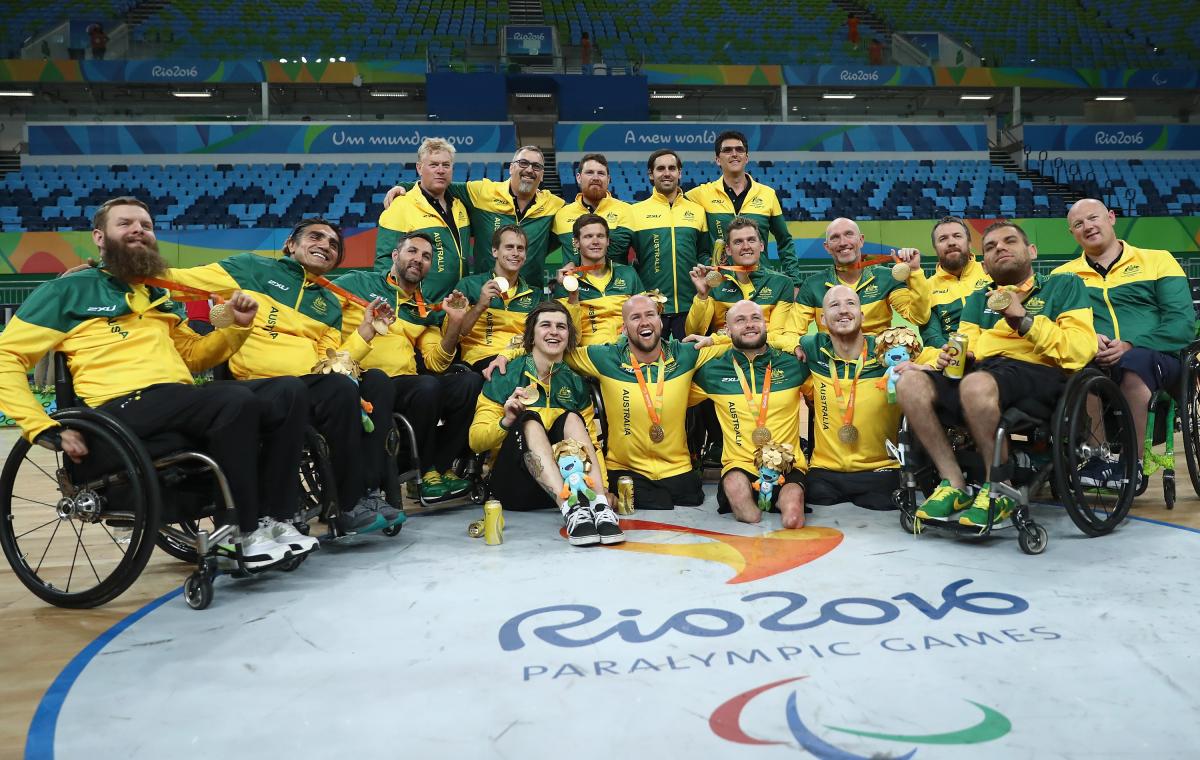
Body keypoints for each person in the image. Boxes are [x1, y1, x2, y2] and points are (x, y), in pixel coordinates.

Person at [0, 197, 312, 567]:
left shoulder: (158, 296)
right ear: (99, 237)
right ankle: (238, 531)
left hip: (174, 400)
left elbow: (195, 357)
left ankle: (276, 518)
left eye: (146, 225)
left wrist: (236, 329)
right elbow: (6, 357)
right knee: (232, 400)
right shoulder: (68, 290)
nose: (138, 230)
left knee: (287, 391)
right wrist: (39, 427)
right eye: (125, 223)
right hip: (118, 407)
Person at [164, 217, 403, 535]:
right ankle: (347, 503)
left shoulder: (329, 303)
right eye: (316, 237)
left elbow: (331, 365)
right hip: (258, 385)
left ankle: (366, 494)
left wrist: (365, 332)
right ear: (290, 243)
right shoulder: (251, 268)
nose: (325, 246)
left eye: (333, 244)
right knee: (331, 389)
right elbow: (178, 281)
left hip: (307, 384)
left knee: (374, 382)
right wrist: (113, 272)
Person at [895, 221, 1097, 528]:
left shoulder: (1064, 285)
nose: (999, 248)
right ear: (985, 266)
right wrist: (940, 362)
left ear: (1031, 251)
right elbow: (966, 350)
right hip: (985, 373)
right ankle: (953, 484)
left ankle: (998, 487)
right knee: (910, 382)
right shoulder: (979, 299)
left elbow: (1081, 350)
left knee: (977, 383)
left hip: (1040, 375)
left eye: (1009, 241)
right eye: (990, 247)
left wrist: (1025, 321)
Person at [1051, 198, 1194, 486]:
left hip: (1158, 360)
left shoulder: (1158, 260)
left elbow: (1181, 324)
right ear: (1072, 233)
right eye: (1078, 224)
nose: (1087, 226)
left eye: (1094, 218)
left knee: (1133, 362)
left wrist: (1131, 344)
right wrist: (1087, 339)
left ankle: (1134, 462)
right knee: (1079, 364)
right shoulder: (1061, 277)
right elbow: (1054, 330)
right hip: (1096, 359)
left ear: (1112, 218)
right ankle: (1096, 457)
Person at [335, 231, 483, 500]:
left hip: (406, 384)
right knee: (425, 386)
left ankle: (440, 466)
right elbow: (322, 310)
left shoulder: (423, 310)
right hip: (365, 379)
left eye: (426, 256)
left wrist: (456, 323)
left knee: (470, 382)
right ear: (395, 255)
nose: (419, 259)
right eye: (412, 251)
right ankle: (424, 472)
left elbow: (436, 363)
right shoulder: (356, 282)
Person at [469, 301, 622, 546]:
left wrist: (602, 487)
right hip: (514, 487)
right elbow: (476, 441)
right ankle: (571, 510)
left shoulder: (575, 382)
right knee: (528, 419)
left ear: (569, 335)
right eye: (546, 325)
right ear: (531, 335)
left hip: (566, 484)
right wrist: (506, 421)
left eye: (561, 326)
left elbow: (591, 442)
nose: (554, 332)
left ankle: (598, 505)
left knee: (571, 418)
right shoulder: (506, 374)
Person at [689, 300, 808, 527]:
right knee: (741, 499)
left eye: (755, 318)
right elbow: (674, 400)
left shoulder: (794, 364)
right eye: (740, 320)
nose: (750, 325)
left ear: (765, 324)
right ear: (727, 329)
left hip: (788, 464)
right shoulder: (712, 371)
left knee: (793, 518)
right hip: (739, 464)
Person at [384, 145, 565, 288]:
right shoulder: (482, 192)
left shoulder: (554, 205)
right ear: (511, 168)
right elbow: (441, 185)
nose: (529, 170)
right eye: (523, 163)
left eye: (537, 166)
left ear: (542, 175)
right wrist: (404, 186)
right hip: (484, 293)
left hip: (530, 295)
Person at [800, 286, 902, 511]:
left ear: (862, 315)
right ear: (823, 319)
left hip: (880, 471)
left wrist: (927, 364)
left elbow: (927, 356)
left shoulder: (887, 350)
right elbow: (772, 340)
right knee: (815, 502)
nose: (843, 310)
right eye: (834, 305)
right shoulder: (813, 348)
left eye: (850, 304)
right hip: (824, 473)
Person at [684, 131, 801, 287]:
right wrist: (708, 263)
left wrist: (795, 281)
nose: (734, 154)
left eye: (739, 149)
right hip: (721, 285)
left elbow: (785, 241)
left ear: (746, 157)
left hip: (761, 284)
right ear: (718, 160)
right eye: (727, 150)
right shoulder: (699, 195)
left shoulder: (768, 194)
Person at [374, 137, 472, 302]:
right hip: (419, 307)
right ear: (419, 168)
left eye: (446, 165)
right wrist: (399, 303)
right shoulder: (400, 205)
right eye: (433, 165)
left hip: (456, 304)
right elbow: (384, 262)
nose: (440, 170)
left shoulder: (460, 205)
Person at [795, 217, 929, 336]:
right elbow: (793, 331)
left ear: (861, 240)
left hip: (877, 360)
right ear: (827, 247)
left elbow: (918, 318)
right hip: (832, 360)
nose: (843, 242)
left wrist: (915, 272)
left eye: (849, 234)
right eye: (835, 237)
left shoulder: (886, 278)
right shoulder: (813, 285)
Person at [686, 216, 802, 353]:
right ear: (728, 249)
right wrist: (702, 296)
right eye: (738, 242)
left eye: (751, 240)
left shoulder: (781, 283)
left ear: (761, 246)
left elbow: (777, 336)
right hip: (724, 358)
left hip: (765, 355)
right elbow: (694, 333)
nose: (746, 246)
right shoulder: (716, 282)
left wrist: (717, 340)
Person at [629, 149, 710, 338]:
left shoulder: (697, 211)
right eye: (660, 168)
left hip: (691, 304)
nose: (667, 173)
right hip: (650, 308)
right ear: (651, 174)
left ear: (679, 173)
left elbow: (704, 253)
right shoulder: (635, 212)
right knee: (650, 364)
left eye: (672, 168)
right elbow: (623, 260)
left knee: (691, 363)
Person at [453, 225, 545, 370]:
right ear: (495, 251)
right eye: (509, 247)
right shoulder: (468, 285)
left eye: (520, 248)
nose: (515, 253)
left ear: (525, 255)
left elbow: (539, 337)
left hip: (520, 357)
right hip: (481, 358)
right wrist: (480, 306)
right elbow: (454, 334)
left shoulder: (536, 294)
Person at [551, 213, 644, 346]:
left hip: (628, 350)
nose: (595, 241)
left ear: (608, 241)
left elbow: (645, 318)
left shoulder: (628, 273)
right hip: (589, 354)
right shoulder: (567, 281)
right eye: (588, 236)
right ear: (576, 242)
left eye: (600, 236)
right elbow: (570, 339)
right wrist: (573, 296)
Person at [918, 216, 991, 360]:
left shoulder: (991, 272)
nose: (951, 242)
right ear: (935, 248)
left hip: (994, 355)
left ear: (969, 242)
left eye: (957, 236)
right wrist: (956, 356)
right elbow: (932, 336)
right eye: (943, 239)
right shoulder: (927, 287)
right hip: (952, 360)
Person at [552, 153, 633, 265]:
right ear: (579, 178)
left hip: (616, 282)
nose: (595, 178)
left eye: (601, 173)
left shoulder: (627, 211)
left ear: (608, 179)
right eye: (589, 172)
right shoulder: (561, 214)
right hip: (575, 281)